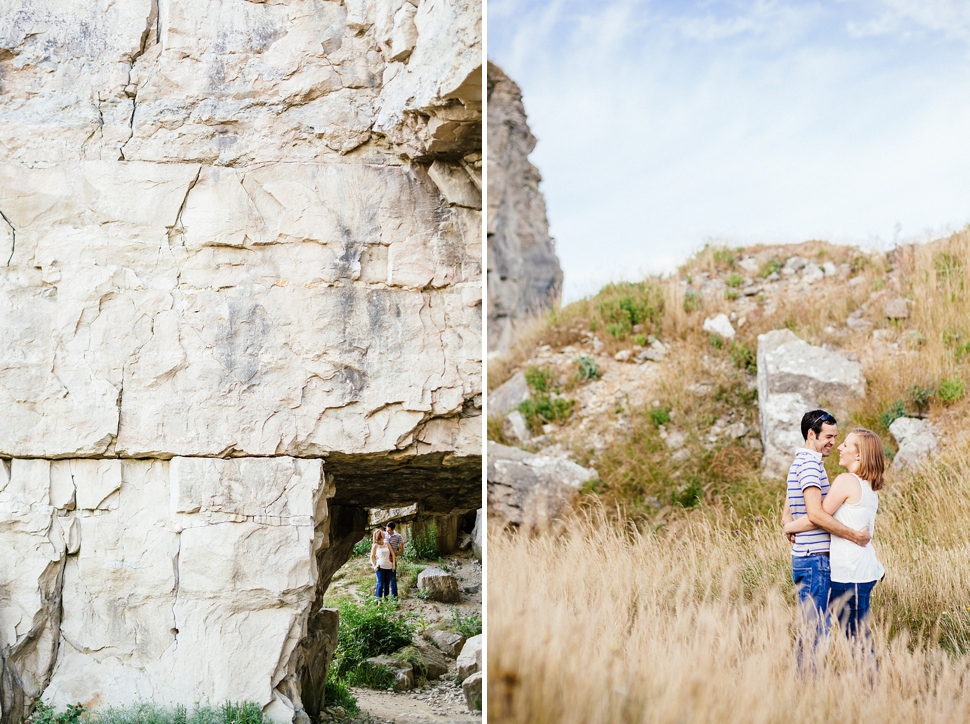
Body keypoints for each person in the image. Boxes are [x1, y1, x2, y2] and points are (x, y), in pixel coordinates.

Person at [785, 428, 885, 641]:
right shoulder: (867, 485)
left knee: (858, 643)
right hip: (859, 571)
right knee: (856, 640)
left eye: (846, 444)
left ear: (859, 455)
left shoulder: (847, 480)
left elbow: (817, 516)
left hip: (851, 574)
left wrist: (789, 527)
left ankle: (871, 676)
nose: (839, 447)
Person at [369, 529, 396, 601]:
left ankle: (386, 600)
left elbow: (393, 554)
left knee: (386, 584)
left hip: (389, 566)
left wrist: (393, 565)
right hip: (380, 567)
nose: (384, 534)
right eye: (382, 533)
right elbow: (371, 557)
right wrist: (374, 566)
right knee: (380, 584)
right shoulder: (375, 546)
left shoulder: (387, 543)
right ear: (380, 536)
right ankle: (379, 601)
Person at [384, 522, 405, 597]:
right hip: (383, 559)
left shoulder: (398, 536)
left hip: (392, 559)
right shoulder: (384, 534)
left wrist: (394, 555)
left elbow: (402, 550)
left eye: (389, 530)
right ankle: (384, 597)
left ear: (393, 529)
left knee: (392, 579)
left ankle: (394, 598)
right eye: (386, 530)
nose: (387, 532)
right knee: (384, 580)